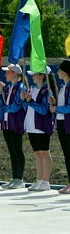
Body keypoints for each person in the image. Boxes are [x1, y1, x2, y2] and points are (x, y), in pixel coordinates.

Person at [24, 66, 57, 191]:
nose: (32, 76)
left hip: (42, 125)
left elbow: (44, 110)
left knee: (44, 152)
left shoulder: (47, 91)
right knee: (37, 153)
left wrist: (30, 101)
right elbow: (27, 105)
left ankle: (45, 181)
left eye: (35, 74)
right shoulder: (32, 89)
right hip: (31, 125)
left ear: (42, 75)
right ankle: (39, 179)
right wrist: (25, 99)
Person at [0, 64, 27, 189]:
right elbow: (1, 103)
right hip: (7, 123)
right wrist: (0, 93)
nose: (5, 75)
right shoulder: (9, 88)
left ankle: (19, 178)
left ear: (15, 73)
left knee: (17, 150)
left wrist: (5, 108)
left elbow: (15, 107)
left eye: (8, 72)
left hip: (16, 123)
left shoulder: (21, 87)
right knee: (11, 150)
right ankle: (14, 177)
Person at [51, 59, 70, 193]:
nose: (57, 73)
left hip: (68, 124)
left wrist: (56, 108)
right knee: (66, 154)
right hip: (62, 123)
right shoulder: (63, 87)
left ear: (65, 72)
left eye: (59, 70)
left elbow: (68, 108)